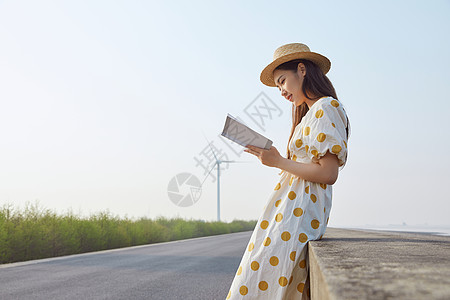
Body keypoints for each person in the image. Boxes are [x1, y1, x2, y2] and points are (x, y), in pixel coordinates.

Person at [225, 43, 350, 300]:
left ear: (302, 70)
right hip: (289, 209)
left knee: (259, 281)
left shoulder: (327, 107)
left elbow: (328, 174)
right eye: (278, 86)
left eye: (282, 81)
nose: (281, 90)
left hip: (299, 212)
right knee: (262, 280)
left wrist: (278, 162)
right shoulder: (310, 114)